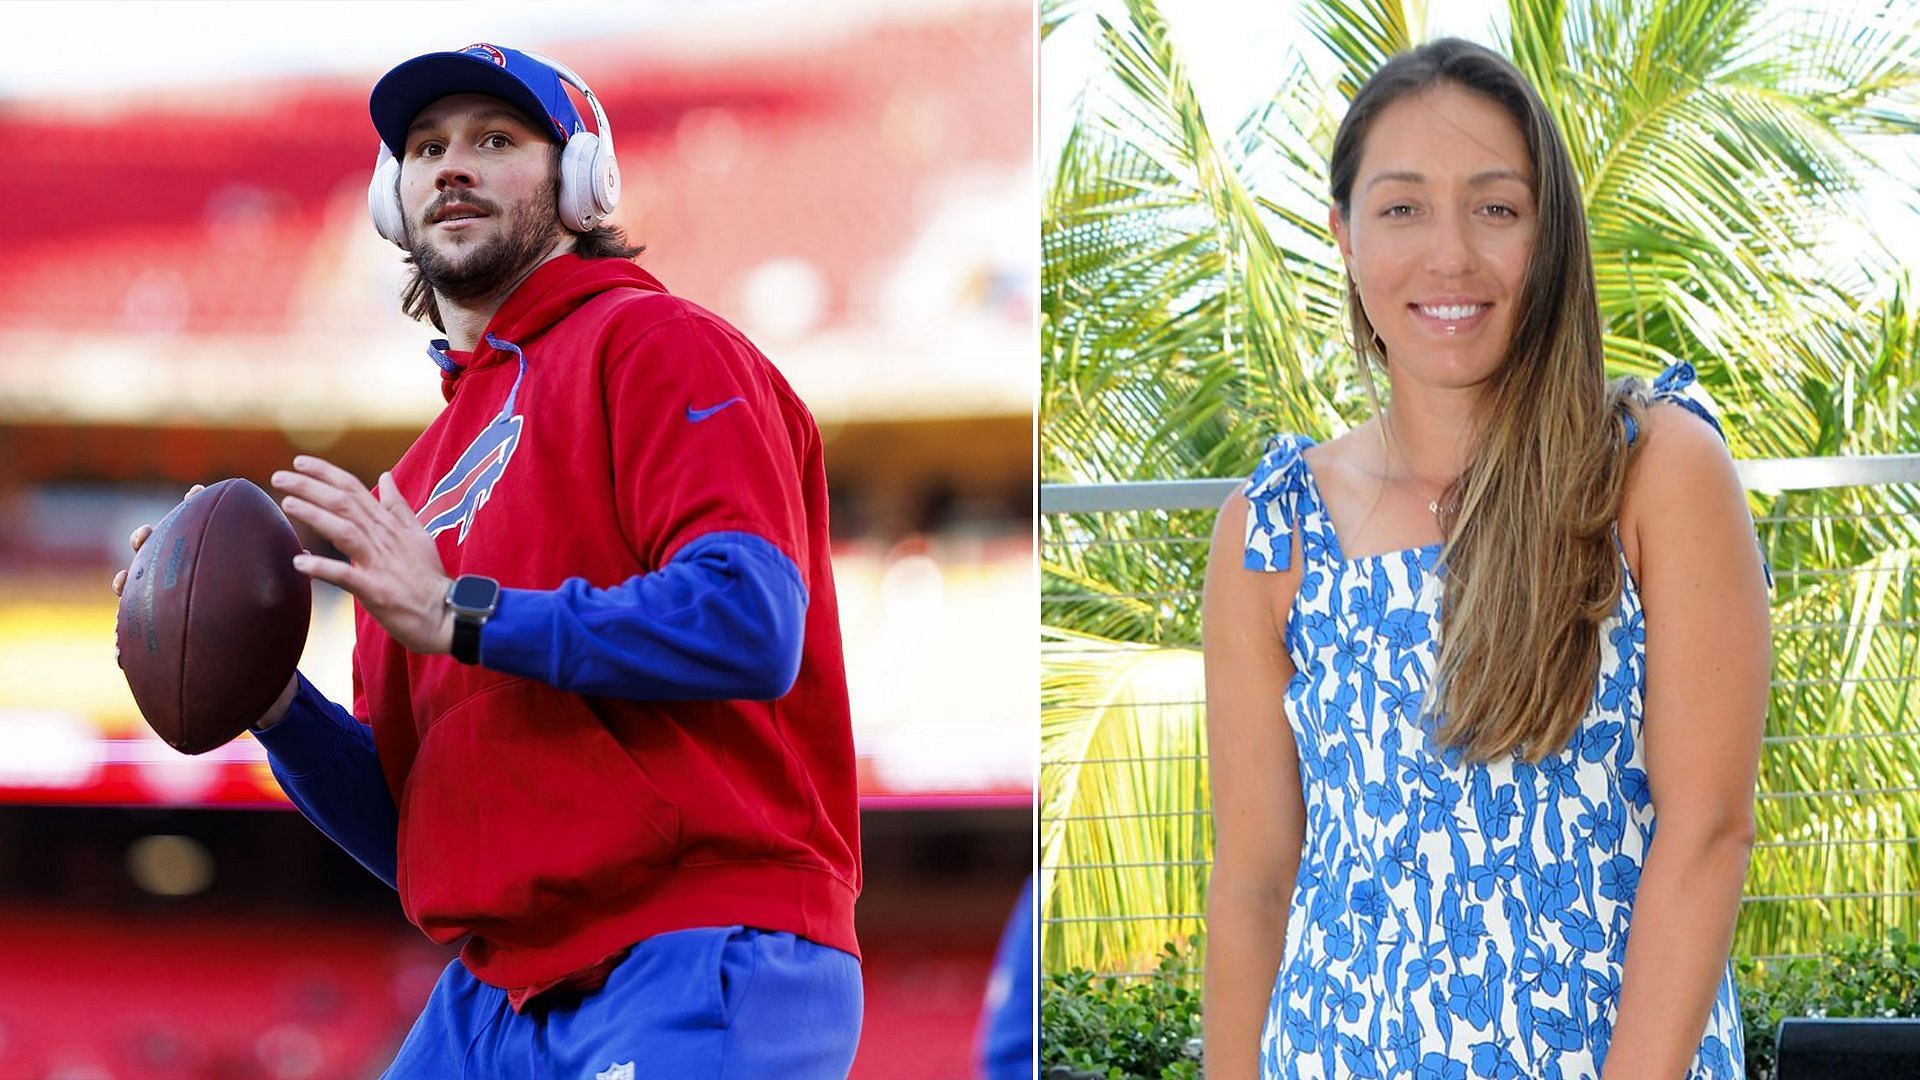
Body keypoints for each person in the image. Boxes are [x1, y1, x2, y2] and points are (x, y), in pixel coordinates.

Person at [114, 42, 862, 1078]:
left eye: (494, 140)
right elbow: (413, 833)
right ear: (393, 197)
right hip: (493, 991)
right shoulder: (412, 488)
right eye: (425, 148)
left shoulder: (661, 346)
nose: (450, 166)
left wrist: (466, 614)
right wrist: (267, 698)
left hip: (694, 943)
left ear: (581, 184)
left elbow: (750, 621)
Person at [1199, 38, 1768, 1080]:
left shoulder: (1652, 472)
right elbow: (1254, 879)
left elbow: (1708, 830)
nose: (1450, 255)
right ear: (1344, 237)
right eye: (1403, 207)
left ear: (1548, 235)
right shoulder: (1271, 528)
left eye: (1497, 208)